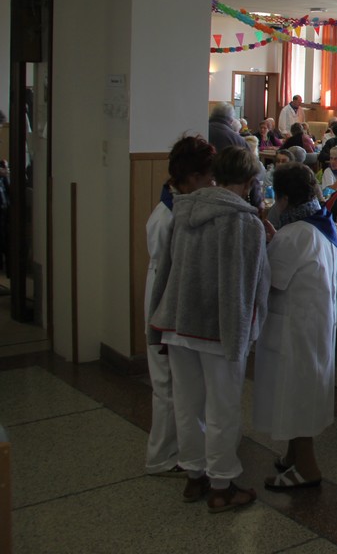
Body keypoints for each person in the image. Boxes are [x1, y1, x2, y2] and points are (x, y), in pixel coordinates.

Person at [147, 145, 270, 513]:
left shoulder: (184, 210)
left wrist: (158, 318)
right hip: (220, 327)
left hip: (178, 320)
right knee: (223, 408)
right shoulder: (246, 222)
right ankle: (221, 484)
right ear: (248, 182)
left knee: (187, 405)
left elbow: (166, 268)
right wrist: (253, 328)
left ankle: (194, 474)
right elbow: (256, 283)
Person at [253, 162, 337, 491]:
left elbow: (271, 279)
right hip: (314, 321)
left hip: (296, 327)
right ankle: (293, 455)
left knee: (296, 394)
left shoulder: (293, 234)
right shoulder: (320, 221)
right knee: (302, 391)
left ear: (285, 198)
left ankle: (307, 467)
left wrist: (264, 245)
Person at [143, 135, 216, 477]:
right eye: (207, 177)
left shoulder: (179, 203)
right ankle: (161, 455)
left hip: (173, 291)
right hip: (165, 292)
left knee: (180, 383)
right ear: (191, 177)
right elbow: (167, 263)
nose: (211, 184)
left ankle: (179, 450)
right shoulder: (168, 214)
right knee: (166, 382)